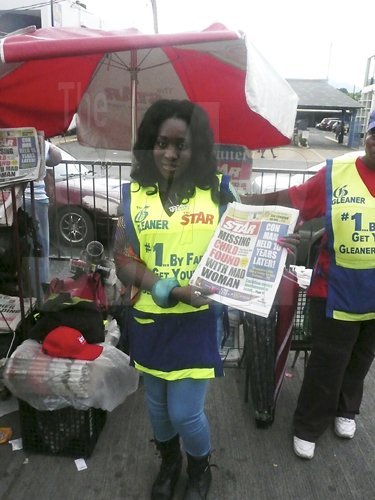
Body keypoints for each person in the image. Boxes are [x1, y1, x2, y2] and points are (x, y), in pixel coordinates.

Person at [113, 99, 297, 499]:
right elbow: (124, 260)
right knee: (158, 409)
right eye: (162, 142)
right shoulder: (133, 196)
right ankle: (169, 463)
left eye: (182, 144)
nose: (171, 153)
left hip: (198, 322)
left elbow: (249, 241)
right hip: (149, 320)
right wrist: (168, 289)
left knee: (185, 412)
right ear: (149, 144)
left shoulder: (217, 192)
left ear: (198, 149)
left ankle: (199, 468)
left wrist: (278, 245)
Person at [241, 108, 375, 460]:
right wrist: (247, 203)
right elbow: (295, 199)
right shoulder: (337, 174)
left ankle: (346, 410)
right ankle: (308, 424)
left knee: (362, 358)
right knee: (328, 363)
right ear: (366, 137)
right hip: (335, 292)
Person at [24, 141, 62, 300]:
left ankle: (26, 295)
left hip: (12, 198)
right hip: (34, 199)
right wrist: (50, 145)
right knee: (39, 250)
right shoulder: (33, 136)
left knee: (18, 250)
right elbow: (56, 158)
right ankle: (40, 298)